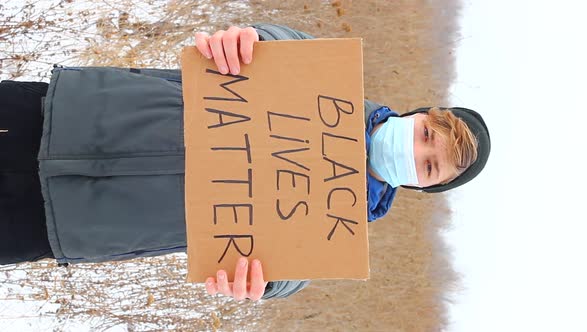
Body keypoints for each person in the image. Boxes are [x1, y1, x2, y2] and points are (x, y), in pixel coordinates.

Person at [0, 24, 490, 302]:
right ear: (418, 114)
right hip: (71, 115)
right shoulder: (322, 78)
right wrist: (243, 40)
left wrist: (264, 282)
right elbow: (276, 39)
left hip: (72, 221)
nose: (414, 152)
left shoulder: (333, 232)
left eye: (429, 168)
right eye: (427, 136)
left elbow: (287, 279)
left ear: (422, 189)